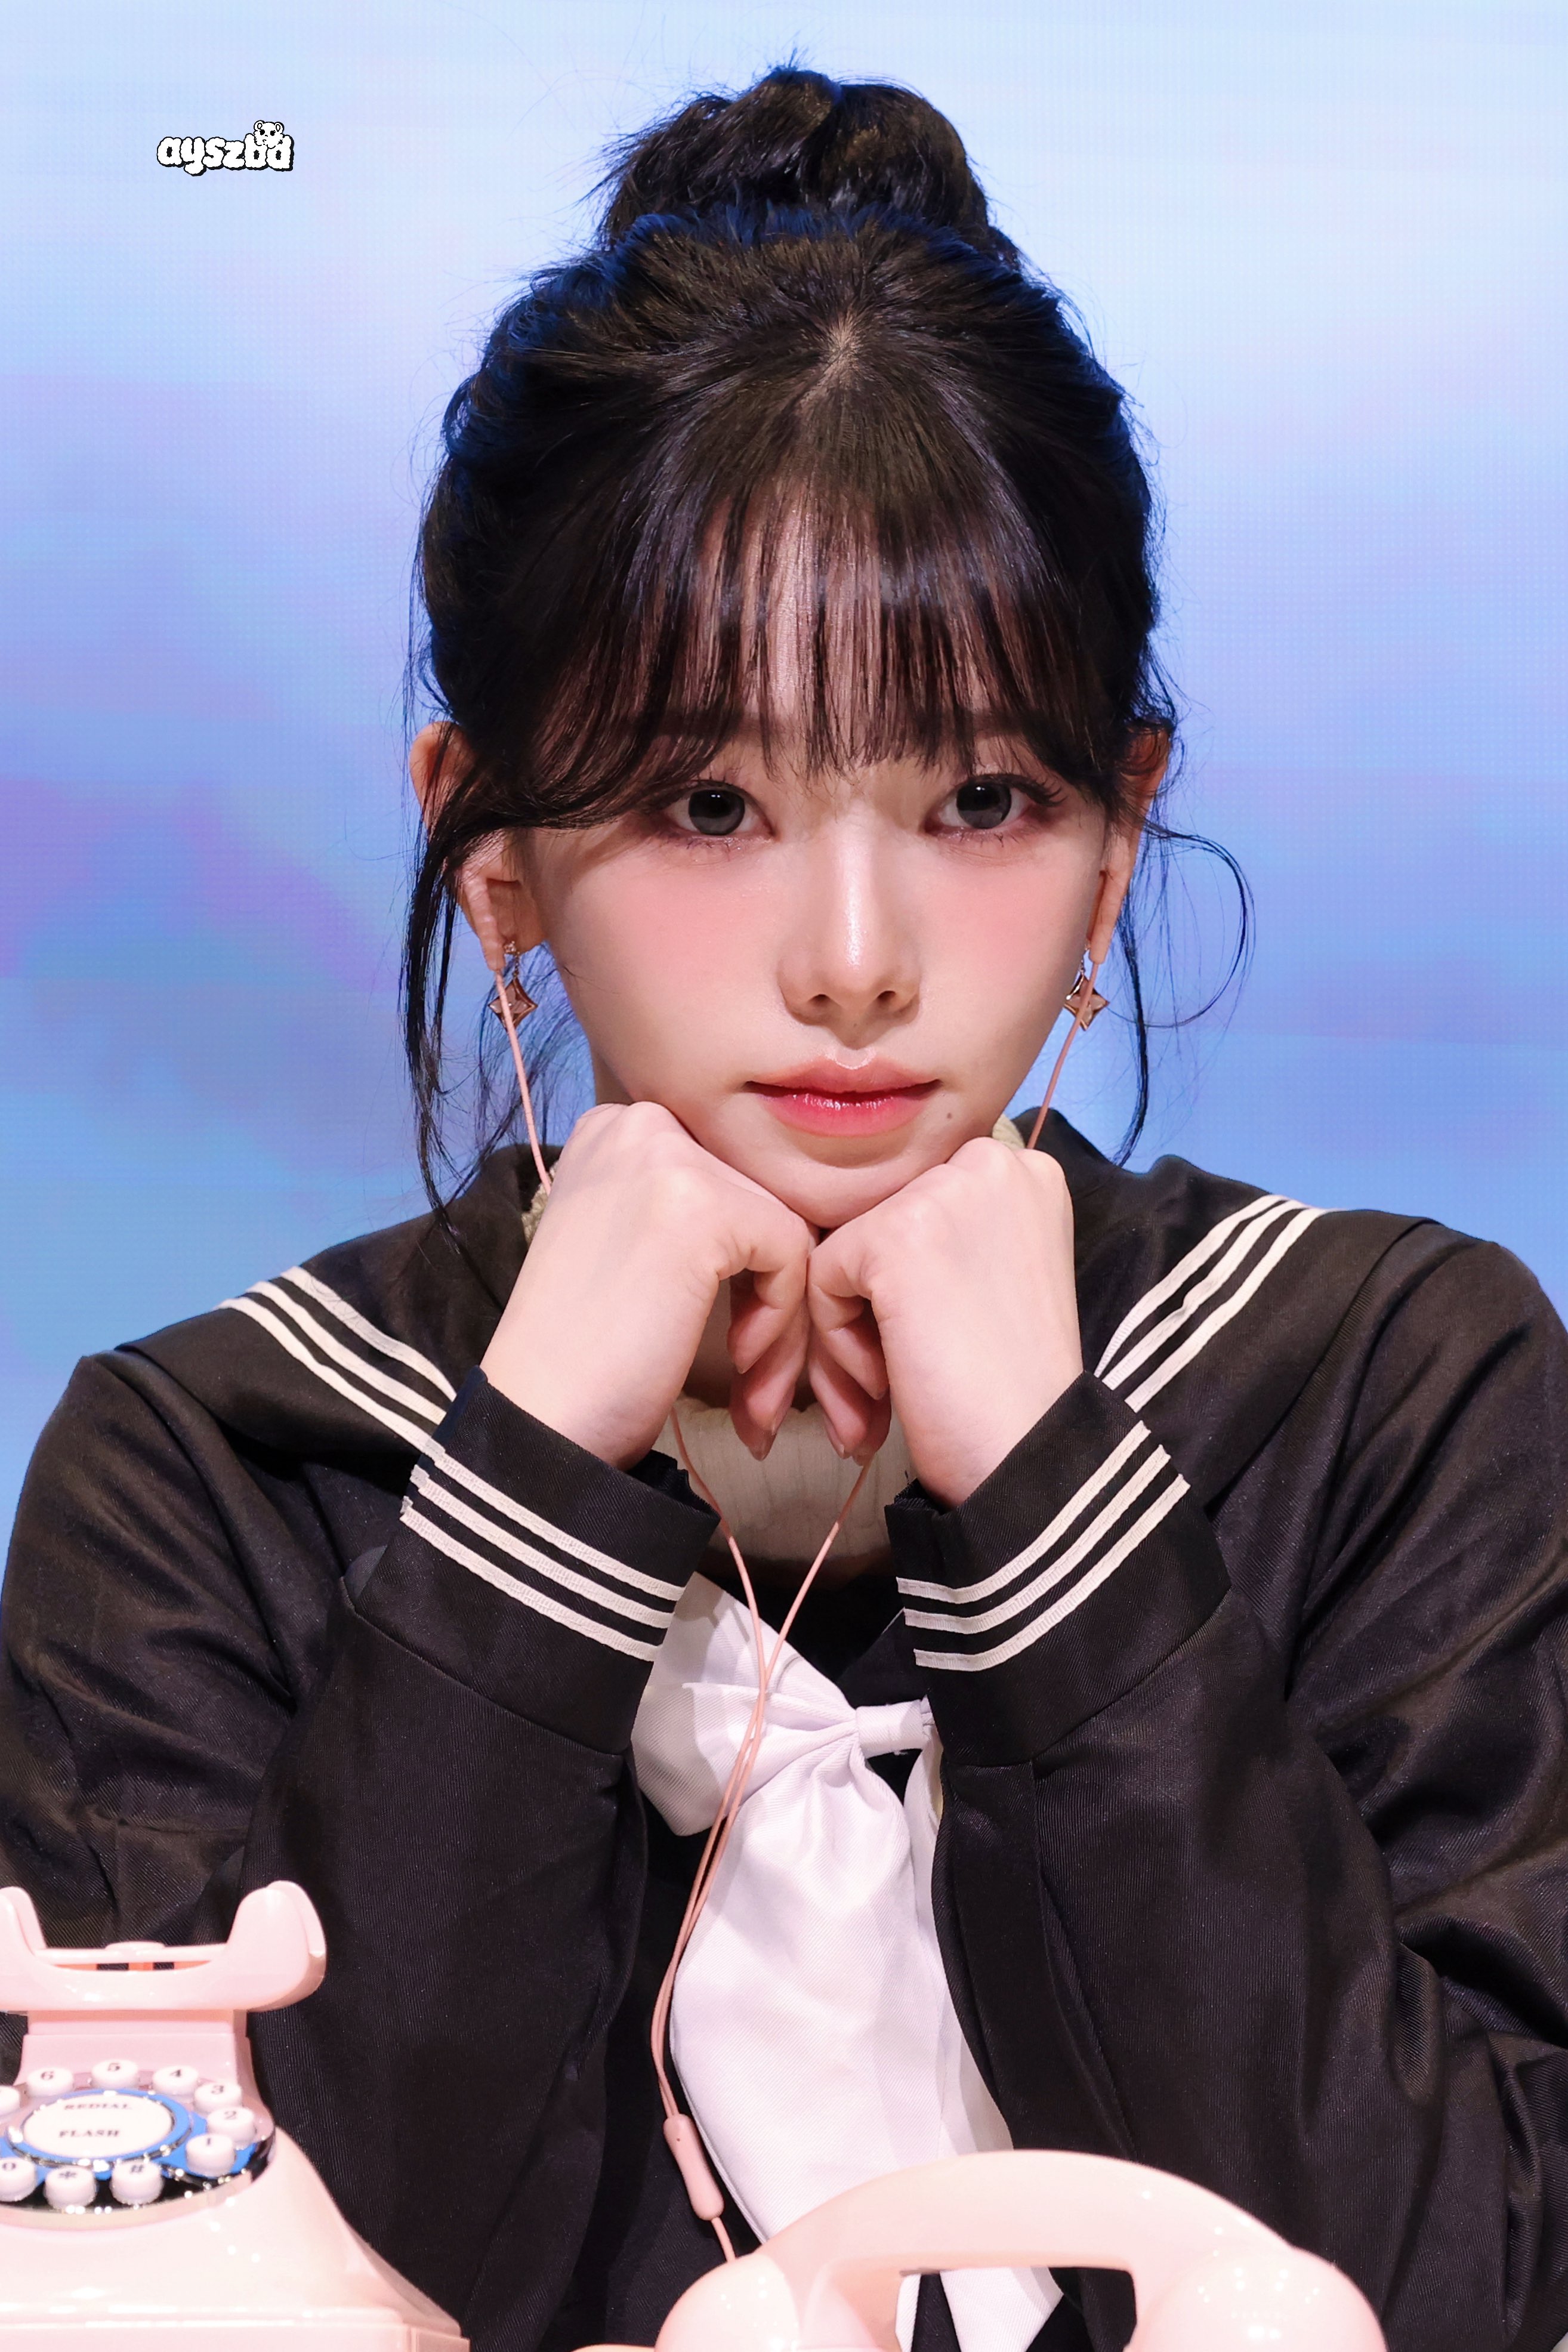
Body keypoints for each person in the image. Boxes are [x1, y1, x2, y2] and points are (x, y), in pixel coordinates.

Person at [2, 64, 1567, 2352]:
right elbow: (194, 2297)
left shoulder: (1385, 1386)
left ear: (1120, 834)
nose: (855, 960)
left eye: (981, 797)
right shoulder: (211, 1468)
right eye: (710, 803)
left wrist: (1056, 1511)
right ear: (490, 848)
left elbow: (1460, 2290)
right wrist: (525, 1490)